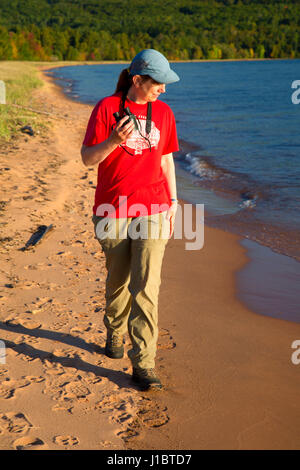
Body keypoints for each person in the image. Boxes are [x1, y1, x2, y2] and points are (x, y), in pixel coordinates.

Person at [81, 49, 179, 391]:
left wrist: (174, 201)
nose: (164, 89)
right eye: (159, 83)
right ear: (137, 80)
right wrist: (113, 140)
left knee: (146, 287)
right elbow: (87, 160)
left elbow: (166, 160)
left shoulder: (164, 112)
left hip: (153, 206)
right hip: (111, 211)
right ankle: (114, 327)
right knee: (118, 280)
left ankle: (144, 364)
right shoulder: (106, 108)